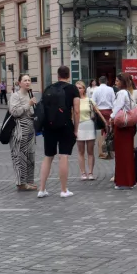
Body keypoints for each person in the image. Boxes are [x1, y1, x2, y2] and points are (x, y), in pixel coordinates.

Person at [37, 66, 80, 199]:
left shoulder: (48, 88)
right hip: (65, 125)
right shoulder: (73, 89)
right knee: (63, 156)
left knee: (48, 156)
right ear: (68, 76)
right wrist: (76, 129)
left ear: (58, 75)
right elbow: (77, 110)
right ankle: (63, 189)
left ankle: (42, 189)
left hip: (49, 126)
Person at [110, 72, 137, 189]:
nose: (115, 82)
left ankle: (121, 181)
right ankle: (130, 180)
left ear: (122, 82)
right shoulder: (129, 93)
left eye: (117, 80)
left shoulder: (121, 93)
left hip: (122, 126)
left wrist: (111, 118)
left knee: (121, 154)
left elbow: (117, 108)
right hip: (129, 126)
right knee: (128, 153)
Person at [8, 74, 37, 191]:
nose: (27, 82)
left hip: (30, 129)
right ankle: (21, 183)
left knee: (30, 156)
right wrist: (28, 105)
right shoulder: (15, 96)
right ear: (19, 83)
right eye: (25, 80)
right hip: (19, 129)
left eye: (29, 80)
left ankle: (29, 181)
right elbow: (14, 112)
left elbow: (32, 112)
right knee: (20, 156)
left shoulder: (30, 95)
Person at [75, 80, 98, 181]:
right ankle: (83, 172)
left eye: (80, 88)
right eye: (76, 88)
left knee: (90, 151)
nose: (78, 90)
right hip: (79, 126)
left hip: (89, 125)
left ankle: (91, 172)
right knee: (80, 151)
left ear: (84, 89)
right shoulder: (74, 101)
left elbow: (97, 111)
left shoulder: (89, 100)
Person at [92, 75, 115, 159]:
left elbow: (93, 102)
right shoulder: (110, 89)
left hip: (99, 112)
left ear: (99, 81)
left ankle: (103, 150)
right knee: (110, 129)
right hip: (109, 111)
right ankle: (109, 149)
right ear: (106, 81)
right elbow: (113, 101)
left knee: (102, 130)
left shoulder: (96, 89)